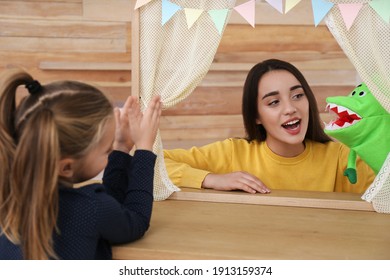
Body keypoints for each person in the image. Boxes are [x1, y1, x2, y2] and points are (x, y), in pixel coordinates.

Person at [0, 68, 162, 260]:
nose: (110, 152)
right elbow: (136, 221)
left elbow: (110, 207)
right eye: (106, 151)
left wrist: (121, 148)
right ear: (66, 167)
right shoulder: (92, 208)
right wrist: (144, 149)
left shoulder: (7, 200)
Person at [164, 59, 375, 194]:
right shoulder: (232, 153)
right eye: (274, 102)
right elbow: (152, 164)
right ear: (256, 116)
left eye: (297, 96)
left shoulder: (340, 159)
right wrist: (210, 179)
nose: (290, 108)